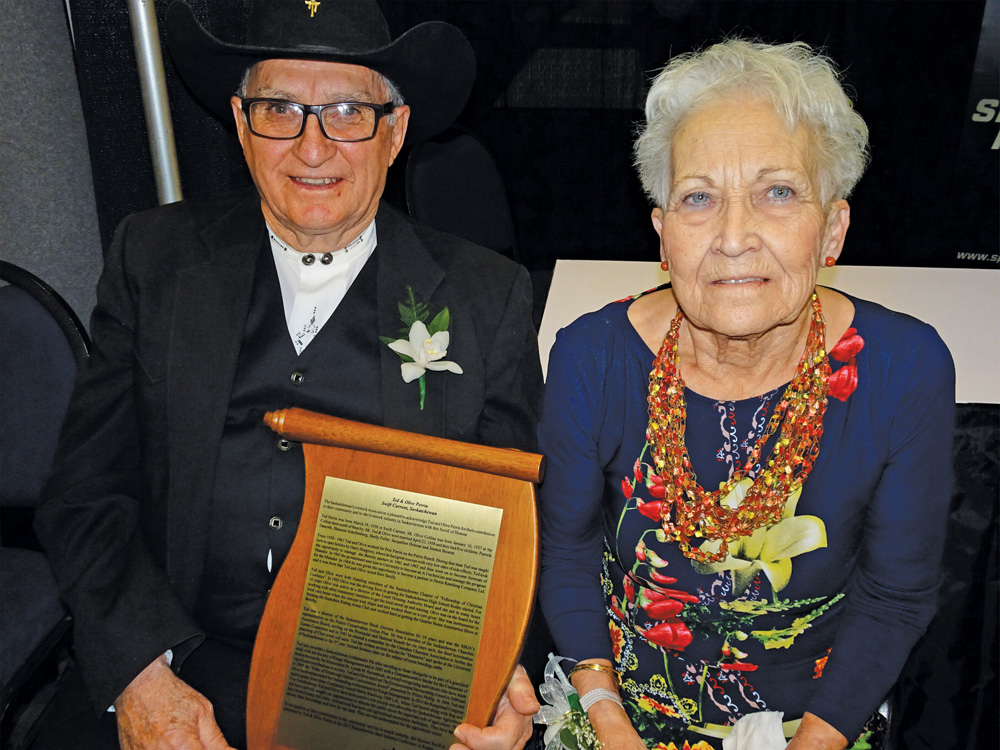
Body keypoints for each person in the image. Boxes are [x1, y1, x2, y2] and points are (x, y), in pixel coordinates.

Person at [33, 1, 542, 749]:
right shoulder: (153, 258)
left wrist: (503, 677)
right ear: (242, 125)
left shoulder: (486, 296)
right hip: (176, 653)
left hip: (379, 683)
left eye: (346, 111)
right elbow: (84, 493)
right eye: (280, 109)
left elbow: (517, 525)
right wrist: (139, 674)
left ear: (395, 131)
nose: (311, 147)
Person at [537, 39, 954, 750]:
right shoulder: (591, 358)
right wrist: (605, 716)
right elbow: (568, 553)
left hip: (816, 719)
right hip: (620, 706)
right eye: (699, 198)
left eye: (778, 193)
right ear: (663, 236)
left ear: (833, 230)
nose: (734, 237)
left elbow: (893, 597)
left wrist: (814, 741)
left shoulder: (904, 369)